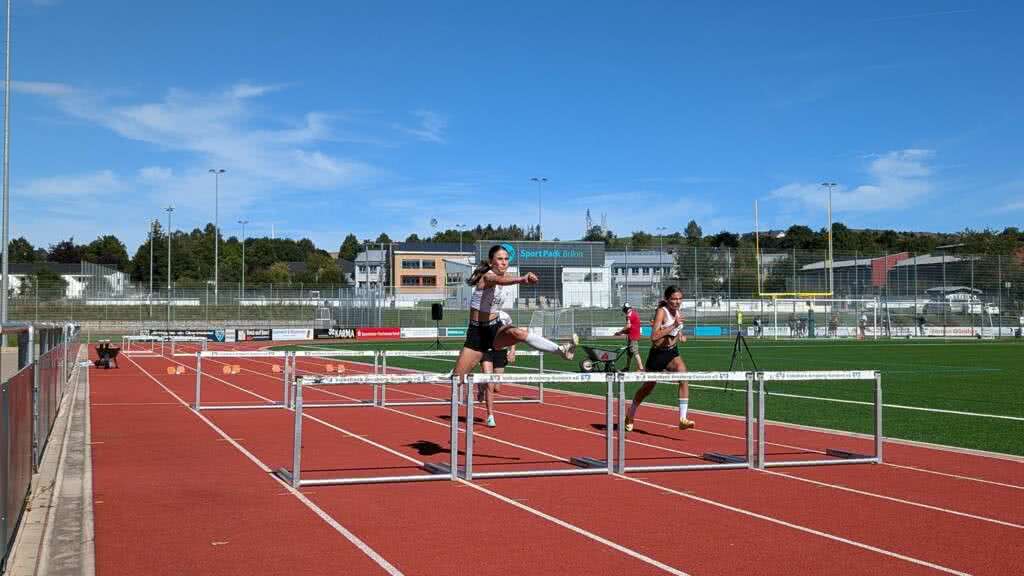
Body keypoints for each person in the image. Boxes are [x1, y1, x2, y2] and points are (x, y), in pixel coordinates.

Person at [453, 244, 578, 404]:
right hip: (477, 334)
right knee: (457, 380)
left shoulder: (505, 277)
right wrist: (522, 279)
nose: (504, 262)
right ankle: (476, 389)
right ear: (491, 262)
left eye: (506, 259)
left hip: (494, 328)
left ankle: (561, 350)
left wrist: (520, 279)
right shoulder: (488, 276)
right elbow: (499, 280)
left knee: (518, 333)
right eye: (499, 259)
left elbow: (504, 280)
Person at [624, 286, 693, 433]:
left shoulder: (678, 311)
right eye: (674, 299)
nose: (677, 301)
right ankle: (630, 415)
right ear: (667, 299)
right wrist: (674, 325)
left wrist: (680, 334)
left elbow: (676, 329)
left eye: (680, 299)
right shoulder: (662, 312)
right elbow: (654, 337)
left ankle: (682, 419)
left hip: (672, 352)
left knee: (684, 375)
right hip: (658, 354)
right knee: (647, 388)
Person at [477, 311, 516, 427]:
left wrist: (512, 350)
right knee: (490, 383)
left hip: (501, 351)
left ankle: (480, 384)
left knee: (497, 388)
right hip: (486, 350)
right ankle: (490, 415)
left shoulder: (506, 316)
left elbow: (511, 334)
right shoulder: (483, 315)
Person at [613, 302, 644, 371]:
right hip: (634, 335)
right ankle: (627, 367)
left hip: (633, 336)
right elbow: (631, 327)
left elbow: (628, 326)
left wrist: (620, 332)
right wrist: (622, 333)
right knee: (629, 353)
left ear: (625, 309)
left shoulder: (629, 315)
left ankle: (641, 368)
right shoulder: (634, 313)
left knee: (635, 352)